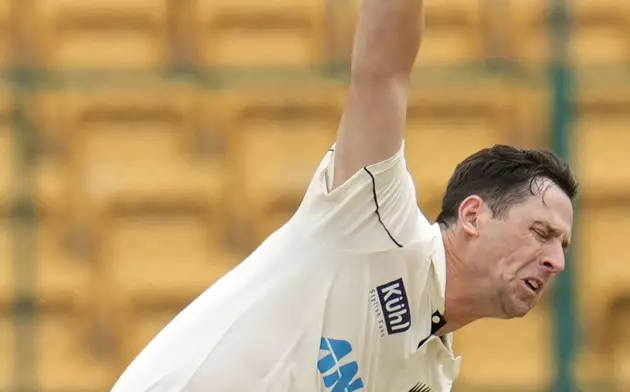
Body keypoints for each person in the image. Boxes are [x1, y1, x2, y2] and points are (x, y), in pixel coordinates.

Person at [110, 0, 577, 390]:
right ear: (473, 215)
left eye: (561, 245)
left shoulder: (430, 377)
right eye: (541, 232)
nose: (555, 260)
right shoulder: (376, 218)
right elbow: (382, 70)